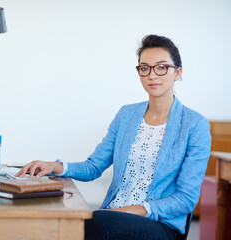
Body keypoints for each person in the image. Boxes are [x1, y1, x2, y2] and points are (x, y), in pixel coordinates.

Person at [16, 34, 211, 240]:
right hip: (112, 215)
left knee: (94, 223)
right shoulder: (127, 115)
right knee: (62, 221)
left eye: (161, 67)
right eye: (144, 68)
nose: (152, 75)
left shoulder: (194, 125)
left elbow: (186, 199)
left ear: (177, 72)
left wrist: (131, 210)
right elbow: (94, 166)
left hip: (159, 224)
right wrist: (56, 166)